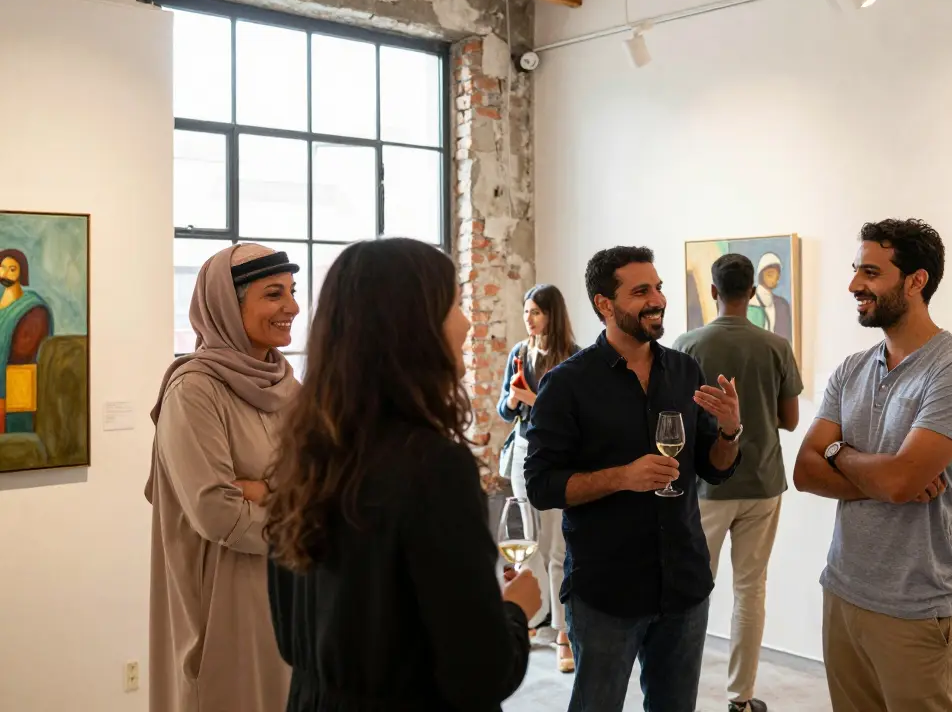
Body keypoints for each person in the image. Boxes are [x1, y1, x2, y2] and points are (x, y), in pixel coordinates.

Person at [263, 238, 538, 711]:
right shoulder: (433, 467)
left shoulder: (305, 456)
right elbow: (480, 673)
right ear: (414, 329)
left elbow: (293, 635)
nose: (467, 322)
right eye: (453, 304)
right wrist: (515, 611)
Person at [523, 245, 743, 712]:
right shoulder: (567, 384)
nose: (657, 299)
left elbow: (714, 467)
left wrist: (729, 429)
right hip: (607, 591)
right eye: (641, 291)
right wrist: (623, 477)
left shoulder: (684, 369)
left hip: (683, 584)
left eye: (659, 287)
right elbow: (541, 486)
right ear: (605, 304)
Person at [793, 219, 952, 712]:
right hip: (842, 591)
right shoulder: (851, 369)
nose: (854, 285)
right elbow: (803, 470)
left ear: (915, 281)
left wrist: (840, 454)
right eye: (856, 270)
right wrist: (878, 475)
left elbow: (903, 481)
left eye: (871, 272)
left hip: (917, 609)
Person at [145, 243, 301, 712]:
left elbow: (324, 487)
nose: (291, 307)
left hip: (292, 595)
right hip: (224, 605)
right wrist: (304, 516)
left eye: (292, 292)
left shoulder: (288, 386)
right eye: (274, 294)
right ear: (227, 307)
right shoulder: (194, 390)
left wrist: (266, 492)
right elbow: (218, 514)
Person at [672, 253, 802, 712]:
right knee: (750, 590)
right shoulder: (776, 346)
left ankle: (679, 691)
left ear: (712, 292)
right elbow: (790, 419)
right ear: (751, 293)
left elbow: (674, 419)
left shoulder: (687, 344)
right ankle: (740, 698)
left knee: (693, 588)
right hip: (762, 483)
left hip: (706, 487)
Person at [497, 283, 581, 672]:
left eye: (534, 311)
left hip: (558, 459)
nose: (527, 318)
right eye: (526, 311)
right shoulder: (519, 353)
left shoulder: (574, 359)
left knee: (559, 548)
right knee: (531, 544)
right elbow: (503, 409)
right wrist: (513, 400)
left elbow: (576, 420)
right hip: (521, 456)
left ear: (552, 315)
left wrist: (533, 401)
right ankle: (532, 622)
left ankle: (564, 632)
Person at [0, 248, 51, 432]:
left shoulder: (32, 309)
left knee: (15, 437)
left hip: (17, 383)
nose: (5, 273)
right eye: (2, 267)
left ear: (22, 272)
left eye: (12, 269)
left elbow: (23, 353)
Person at [747, 252, 792, 342]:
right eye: (770, 274)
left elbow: (787, 339)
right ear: (760, 275)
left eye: (777, 275)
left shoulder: (782, 304)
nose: (774, 278)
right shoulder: (749, 303)